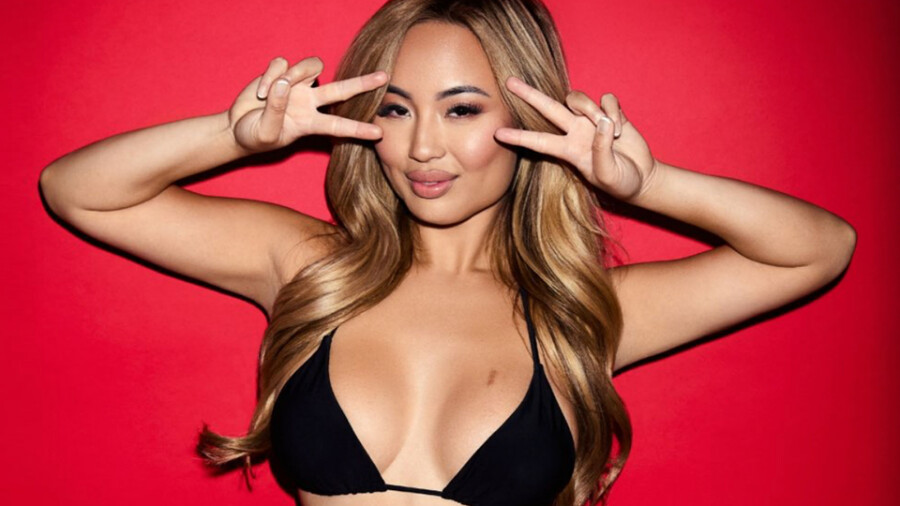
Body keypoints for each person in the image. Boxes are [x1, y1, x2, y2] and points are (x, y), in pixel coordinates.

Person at [38, 0, 857, 504]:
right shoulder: (311, 268)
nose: (422, 147)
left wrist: (650, 184)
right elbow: (78, 190)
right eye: (396, 109)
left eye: (462, 110)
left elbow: (816, 250)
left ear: (528, 124)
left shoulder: (577, 317)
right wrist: (233, 135)